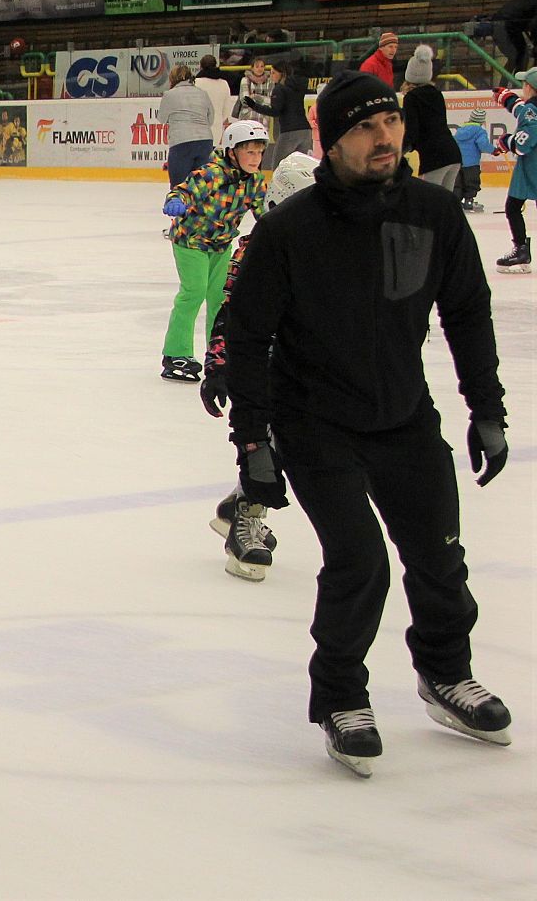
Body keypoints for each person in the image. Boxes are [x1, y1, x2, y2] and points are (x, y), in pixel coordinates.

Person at [224, 69, 513, 777]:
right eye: (364, 127)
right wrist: (254, 442)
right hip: (314, 422)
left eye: (391, 123)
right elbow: (248, 334)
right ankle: (341, 698)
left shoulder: (432, 213)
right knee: (359, 562)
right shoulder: (291, 229)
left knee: (439, 557)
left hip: (404, 415)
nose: (384, 138)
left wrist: (487, 408)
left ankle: (445, 673)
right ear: (331, 141)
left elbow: (467, 312)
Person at [198, 151, 319, 579]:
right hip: (262, 367)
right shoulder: (258, 248)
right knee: (263, 443)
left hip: (305, 365)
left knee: (294, 442)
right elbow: (230, 310)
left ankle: (235, 506)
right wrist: (218, 364)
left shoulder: (324, 246)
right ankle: (245, 520)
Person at [159, 119, 269, 382]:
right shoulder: (211, 174)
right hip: (191, 241)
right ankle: (176, 353)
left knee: (221, 298)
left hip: (221, 245)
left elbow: (266, 214)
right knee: (193, 292)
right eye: (249, 152)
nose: (256, 158)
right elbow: (183, 191)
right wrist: (175, 201)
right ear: (232, 152)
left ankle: (218, 352)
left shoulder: (255, 182)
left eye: (259, 152)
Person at [490, 68, 537, 273]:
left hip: (531, 169)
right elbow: (524, 111)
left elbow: (522, 145)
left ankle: (521, 249)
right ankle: (521, 250)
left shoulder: (531, 112)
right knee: (513, 205)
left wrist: (506, 141)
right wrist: (509, 100)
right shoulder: (529, 109)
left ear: (529, 87)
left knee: (512, 207)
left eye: (524, 84)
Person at [400, 45, 461, 192]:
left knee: (427, 200)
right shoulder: (437, 94)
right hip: (453, 154)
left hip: (434, 158)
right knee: (444, 202)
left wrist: (398, 151)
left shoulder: (411, 98)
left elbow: (412, 132)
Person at [240, 63, 313, 169]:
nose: (271, 76)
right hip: (306, 131)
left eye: (273, 73)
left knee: (278, 167)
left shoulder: (279, 89)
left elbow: (275, 111)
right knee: (301, 167)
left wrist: (254, 106)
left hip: (290, 131)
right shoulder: (298, 87)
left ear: (282, 74)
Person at [158, 65, 216, 189]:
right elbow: (210, 119)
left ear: (172, 78)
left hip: (181, 142)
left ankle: (179, 201)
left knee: (179, 186)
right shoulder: (203, 93)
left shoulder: (169, 95)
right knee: (202, 186)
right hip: (205, 141)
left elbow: (161, 118)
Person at [453, 108, 496, 213]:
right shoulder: (480, 131)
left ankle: (456, 202)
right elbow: (483, 144)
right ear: (482, 121)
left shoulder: (460, 130)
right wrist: (493, 150)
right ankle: (468, 201)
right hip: (471, 164)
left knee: (458, 183)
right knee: (471, 183)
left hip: (458, 162)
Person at [491, 0, 537, 73]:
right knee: (519, 55)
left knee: (517, 56)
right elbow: (533, 25)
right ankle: (517, 78)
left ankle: (513, 78)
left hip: (504, 23)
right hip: (506, 25)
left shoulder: (531, 0)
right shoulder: (532, 2)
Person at [193, 56, 234, 145]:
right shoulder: (224, 84)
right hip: (216, 129)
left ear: (200, 67)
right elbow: (227, 110)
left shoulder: (195, 83)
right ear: (216, 65)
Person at [233, 57, 274, 122]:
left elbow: (271, 102)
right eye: (257, 66)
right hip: (247, 117)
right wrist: (263, 99)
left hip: (264, 119)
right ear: (252, 68)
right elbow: (245, 101)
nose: (259, 69)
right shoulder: (245, 80)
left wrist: (255, 96)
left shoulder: (270, 81)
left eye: (262, 66)